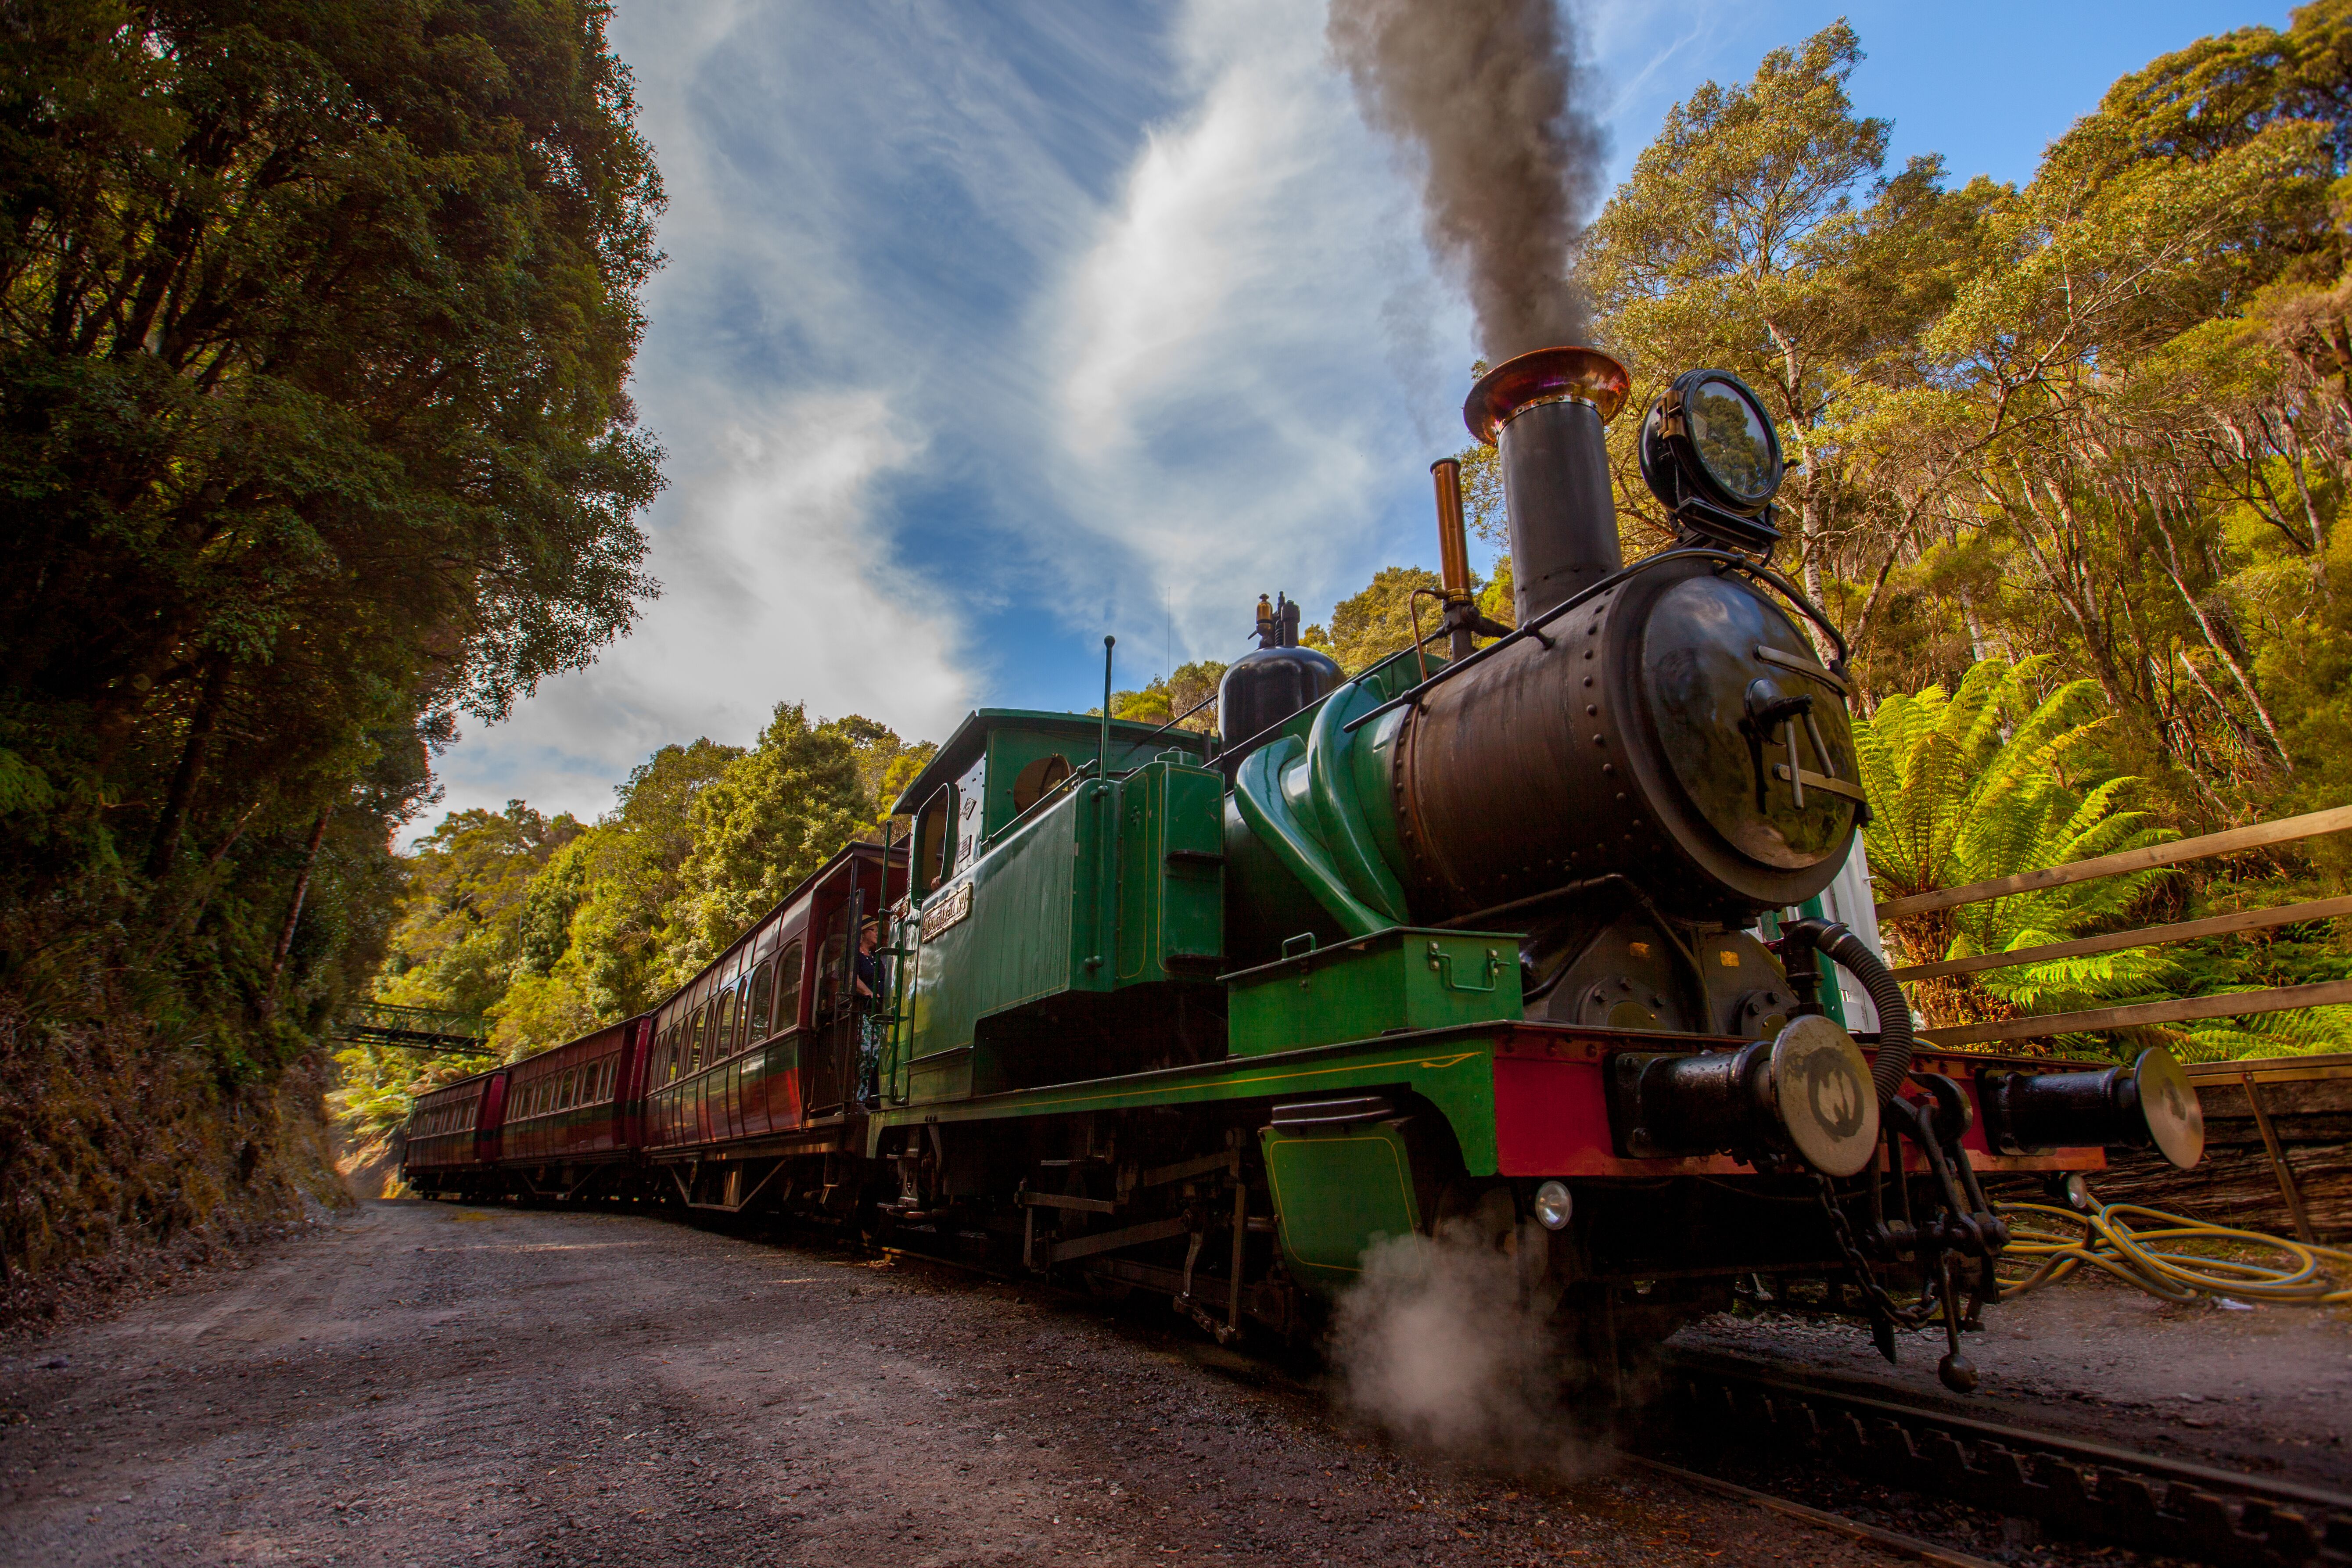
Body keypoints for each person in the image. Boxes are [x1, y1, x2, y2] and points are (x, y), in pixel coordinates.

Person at [853, 919, 883, 1103]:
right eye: (873, 930)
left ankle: (869, 1097)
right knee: (865, 1054)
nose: (877, 934)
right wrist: (868, 992)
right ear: (863, 933)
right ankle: (858, 1098)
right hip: (862, 1011)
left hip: (878, 1011)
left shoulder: (874, 957)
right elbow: (852, 977)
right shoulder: (855, 956)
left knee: (876, 1055)